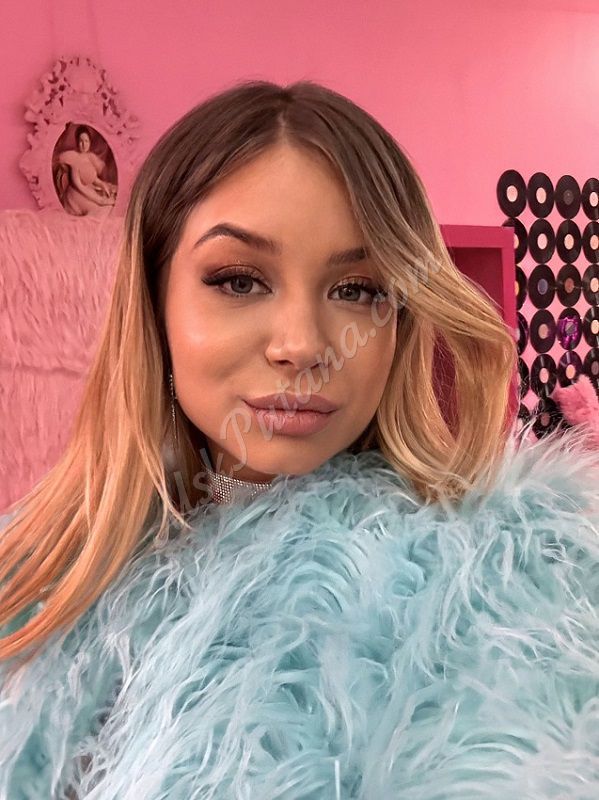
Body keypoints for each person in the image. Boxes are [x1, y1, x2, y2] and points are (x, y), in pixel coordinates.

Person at [1, 80, 598, 799]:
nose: (302, 345)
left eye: (357, 289)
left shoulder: (501, 591)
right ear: (154, 302)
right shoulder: (43, 566)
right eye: (239, 281)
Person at [54, 124, 117, 217]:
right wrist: (100, 200)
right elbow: (79, 186)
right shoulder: (74, 159)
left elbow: (92, 178)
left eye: (86, 141)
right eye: (81, 141)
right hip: (76, 194)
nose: (84, 145)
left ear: (90, 142)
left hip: (88, 189)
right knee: (98, 210)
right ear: (77, 142)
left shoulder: (89, 157)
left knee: (110, 203)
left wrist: (102, 184)